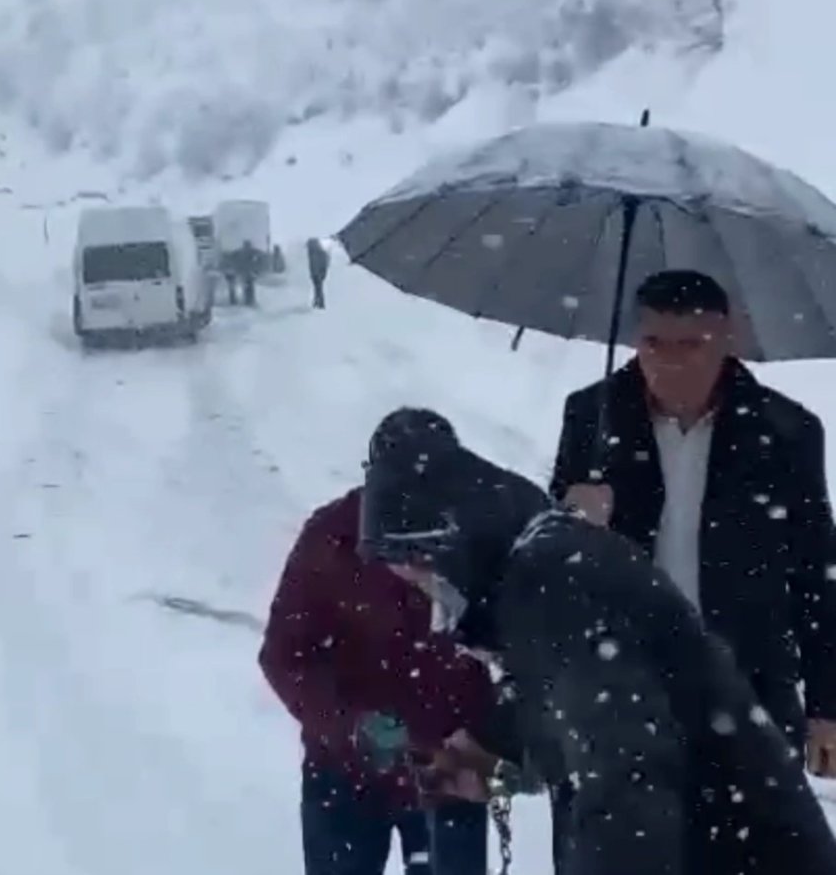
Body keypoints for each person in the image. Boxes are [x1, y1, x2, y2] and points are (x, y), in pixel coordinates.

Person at [358, 410, 836, 875]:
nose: (432, 599)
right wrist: (491, 749)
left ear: (447, 549)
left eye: (424, 579)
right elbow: (569, 704)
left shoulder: (554, 582)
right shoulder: (546, 567)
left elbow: (627, 772)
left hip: (732, 849)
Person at [550, 269, 836, 779]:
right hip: (619, 689)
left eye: (692, 344)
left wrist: (826, 705)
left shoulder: (785, 431)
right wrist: (574, 517)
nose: (669, 361)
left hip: (748, 688)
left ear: (730, 339)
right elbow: (548, 566)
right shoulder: (591, 418)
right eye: (653, 342)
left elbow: (817, 573)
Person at [258, 409, 494, 875]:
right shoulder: (331, 537)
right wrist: (352, 728)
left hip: (450, 771)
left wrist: (492, 740)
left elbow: (508, 654)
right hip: (345, 776)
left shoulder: (481, 536)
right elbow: (284, 655)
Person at [307, 237, 330, 309]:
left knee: (318, 287)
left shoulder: (317, 253)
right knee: (318, 287)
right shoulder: (315, 252)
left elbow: (322, 263)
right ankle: (317, 301)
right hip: (316, 273)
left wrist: (322, 272)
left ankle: (320, 302)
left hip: (318, 273)